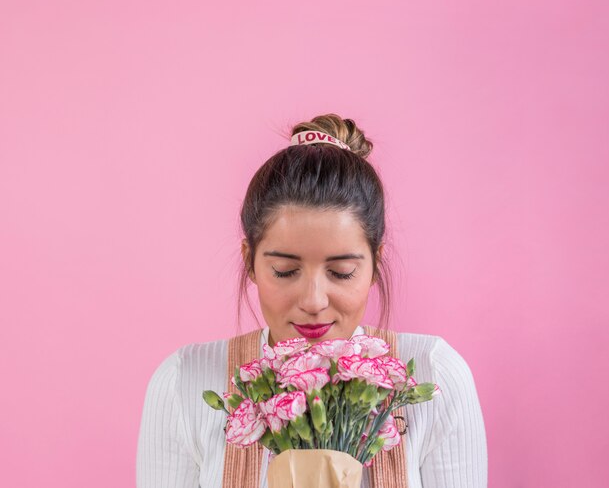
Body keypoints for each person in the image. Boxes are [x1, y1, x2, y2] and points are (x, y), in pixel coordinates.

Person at [136, 113, 488, 488]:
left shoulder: (435, 378)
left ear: (374, 265)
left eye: (341, 273)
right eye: (286, 271)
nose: (314, 301)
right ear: (250, 263)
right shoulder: (185, 382)